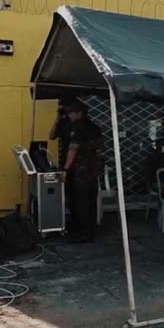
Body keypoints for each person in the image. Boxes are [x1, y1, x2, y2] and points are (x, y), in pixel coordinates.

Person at [62, 100, 104, 243]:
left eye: (71, 112)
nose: (69, 115)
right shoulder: (94, 127)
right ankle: (89, 230)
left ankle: (83, 232)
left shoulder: (78, 127)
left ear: (79, 113)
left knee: (80, 201)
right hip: (93, 169)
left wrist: (65, 169)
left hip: (81, 169)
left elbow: (73, 149)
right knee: (90, 200)